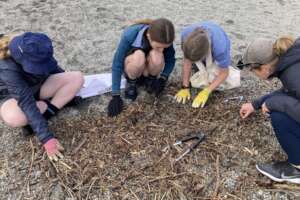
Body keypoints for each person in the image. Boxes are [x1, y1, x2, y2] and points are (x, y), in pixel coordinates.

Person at [0, 32, 84, 161]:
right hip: (11, 96)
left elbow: (53, 67)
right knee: (15, 117)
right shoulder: (6, 67)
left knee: (77, 78)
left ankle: (46, 113)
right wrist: (47, 138)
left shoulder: (33, 43)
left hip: (36, 85)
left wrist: (64, 84)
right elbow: (25, 100)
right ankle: (45, 109)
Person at [239, 36, 300, 184]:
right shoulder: (292, 60)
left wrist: (273, 103)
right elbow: (290, 91)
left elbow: (292, 89)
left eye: (254, 72)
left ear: (265, 68)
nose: (256, 76)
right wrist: (256, 104)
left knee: (279, 116)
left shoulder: (293, 75)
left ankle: (296, 169)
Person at [107, 18, 176, 117]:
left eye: (165, 47)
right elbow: (117, 64)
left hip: (148, 69)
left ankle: (150, 80)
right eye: (159, 46)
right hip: (133, 66)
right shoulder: (130, 34)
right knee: (139, 56)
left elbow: (171, 60)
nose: (162, 50)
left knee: (158, 56)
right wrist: (116, 95)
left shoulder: (166, 38)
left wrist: (163, 78)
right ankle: (131, 83)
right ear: (149, 36)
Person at [175, 21, 240, 107]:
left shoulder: (220, 48)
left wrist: (207, 91)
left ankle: (210, 64)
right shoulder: (185, 35)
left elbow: (224, 72)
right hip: (199, 40)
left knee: (216, 73)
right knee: (198, 70)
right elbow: (187, 61)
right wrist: (185, 86)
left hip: (218, 39)